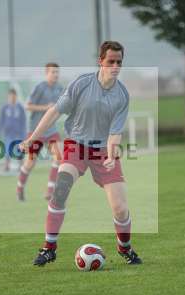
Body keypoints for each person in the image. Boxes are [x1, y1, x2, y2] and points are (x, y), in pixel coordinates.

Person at [20, 41, 142, 266]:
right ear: (101, 61)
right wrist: (32, 139)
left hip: (103, 150)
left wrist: (110, 154)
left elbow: (116, 133)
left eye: (119, 62)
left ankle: (125, 248)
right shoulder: (82, 84)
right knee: (61, 187)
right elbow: (54, 112)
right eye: (110, 61)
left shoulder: (122, 95)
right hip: (76, 146)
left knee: (120, 208)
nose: (115, 66)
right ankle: (49, 248)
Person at [17, 63, 64, 201]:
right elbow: (28, 106)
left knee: (59, 157)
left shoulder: (60, 89)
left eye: (57, 72)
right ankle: (20, 187)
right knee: (30, 163)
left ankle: (50, 191)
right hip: (36, 131)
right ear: (46, 73)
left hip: (52, 131)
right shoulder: (40, 88)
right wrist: (45, 107)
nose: (56, 75)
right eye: (53, 72)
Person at [0, 88, 26, 172]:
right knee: (7, 149)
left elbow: (23, 121)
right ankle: (7, 166)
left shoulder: (20, 107)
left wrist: (24, 133)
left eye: (13, 96)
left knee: (19, 149)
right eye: (10, 96)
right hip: (8, 133)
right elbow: (1, 120)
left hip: (18, 132)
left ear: (16, 96)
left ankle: (21, 166)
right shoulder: (5, 107)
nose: (12, 97)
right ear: (8, 97)